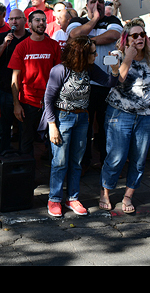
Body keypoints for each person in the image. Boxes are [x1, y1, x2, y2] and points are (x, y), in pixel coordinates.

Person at [40, 36, 119, 218]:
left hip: (83, 118)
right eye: (92, 52)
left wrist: (115, 71)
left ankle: (72, 197)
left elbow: (110, 82)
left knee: (77, 161)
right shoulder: (60, 70)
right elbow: (48, 99)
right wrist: (52, 125)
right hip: (63, 117)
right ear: (81, 54)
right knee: (59, 162)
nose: (96, 55)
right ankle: (54, 199)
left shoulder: (89, 69)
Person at [99, 20, 150, 214]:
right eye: (134, 35)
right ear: (126, 39)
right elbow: (116, 81)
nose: (139, 38)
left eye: (142, 35)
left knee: (139, 159)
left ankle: (128, 195)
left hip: (146, 116)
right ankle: (105, 190)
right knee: (117, 157)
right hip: (121, 114)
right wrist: (127, 58)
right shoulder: (115, 55)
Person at [68, 0, 123, 171]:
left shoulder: (113, 20)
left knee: (107, 126)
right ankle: (84, 163)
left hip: (107, 81)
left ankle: (106, 162)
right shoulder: (78, 20)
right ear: (87, 4)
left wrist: (87, 40)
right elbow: (74, 34)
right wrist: (93, 21)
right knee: (85, 126)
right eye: (93, 2)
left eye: (100, 1)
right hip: (84, 83)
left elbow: (113, 36)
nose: (97, 4)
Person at [9, 9, 61, 158]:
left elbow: (60, 75)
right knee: (26, 142)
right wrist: (16, 104)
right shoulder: (21, 47)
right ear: (29, 24)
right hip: (28, 102)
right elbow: (15, 78)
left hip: (51, 102)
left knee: (54, 141)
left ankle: (54, 176)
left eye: (43, 20)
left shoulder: (54, 45)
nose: (41, 23)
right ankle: (27, 178)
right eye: (37, 20)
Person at [0, 9, 30, 155]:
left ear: (25, 20)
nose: (14, 22)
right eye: (11, 19)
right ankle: (2, 157)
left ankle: (24, 159)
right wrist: (4, 44)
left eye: (18, 18)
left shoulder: (31, 37)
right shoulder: (2, 37)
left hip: (26, 91)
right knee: (4, 127)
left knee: (25, 128)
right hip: (6, 89)